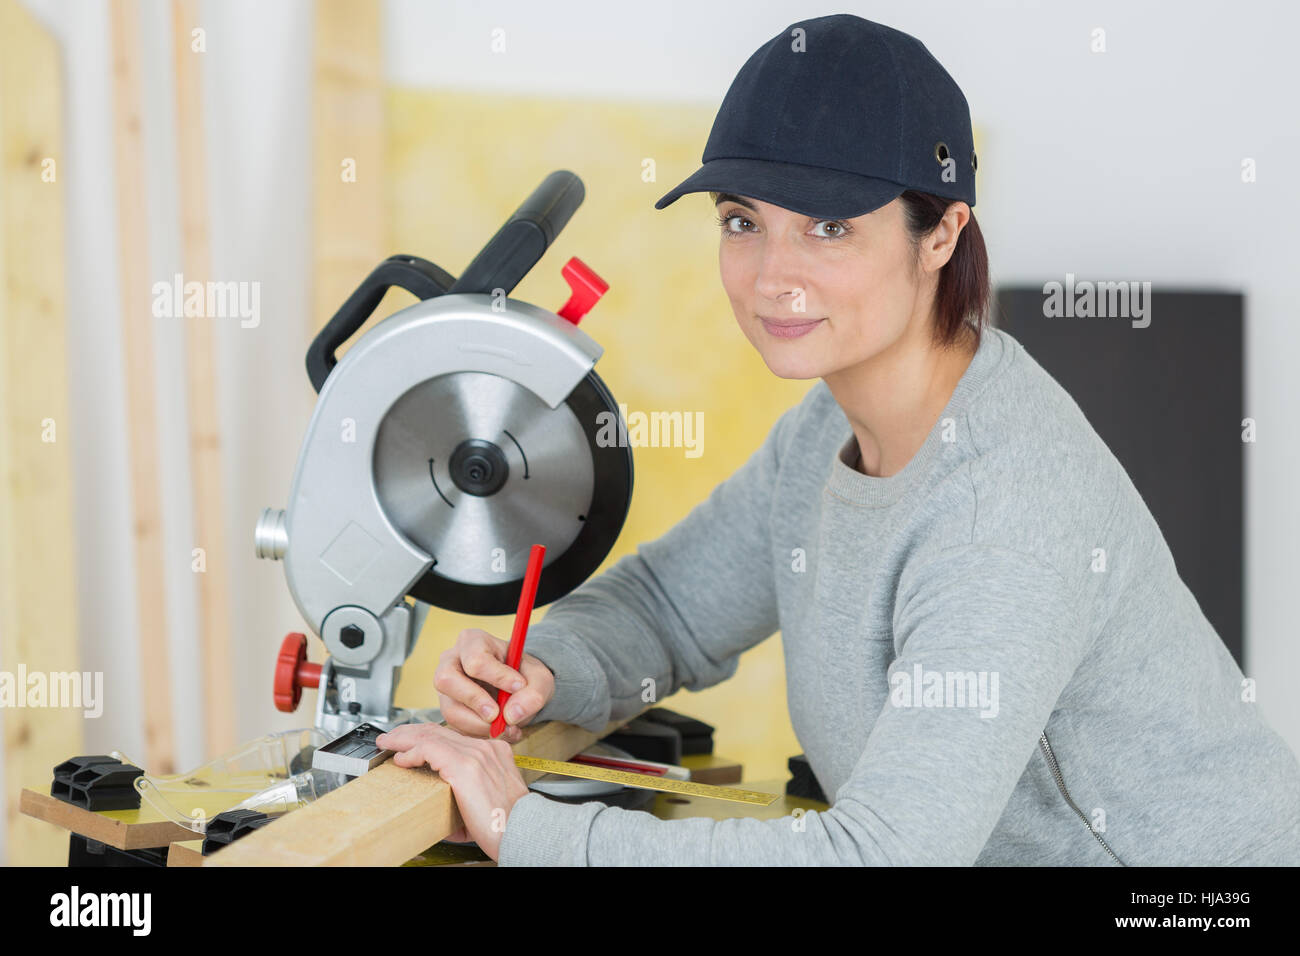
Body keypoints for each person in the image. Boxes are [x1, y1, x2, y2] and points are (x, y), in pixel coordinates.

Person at [376, 14, 1300, 865]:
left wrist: (528, 829)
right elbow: (669, 610)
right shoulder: (827, 429)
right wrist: (546, 667)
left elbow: (882, 860)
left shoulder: (1003, 507)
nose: (774, 277)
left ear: (941, 233)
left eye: (827, 228)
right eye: (743, 222)